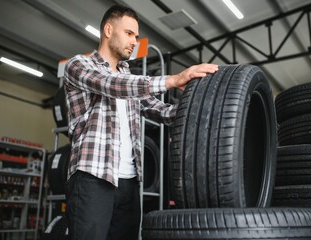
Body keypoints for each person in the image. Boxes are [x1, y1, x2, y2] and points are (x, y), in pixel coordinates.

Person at [63, 3, 218, 240]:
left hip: (130, 183)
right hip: (93, 179)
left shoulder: (127, 75)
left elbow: (162, 111)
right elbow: (112, 86)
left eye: (136, 36)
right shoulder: (79, 65)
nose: (134, 41)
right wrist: (174, 79)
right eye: (129, 33)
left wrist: (205, 107)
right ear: (108, 30)